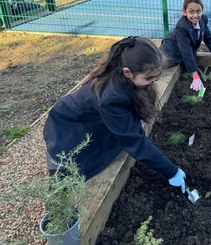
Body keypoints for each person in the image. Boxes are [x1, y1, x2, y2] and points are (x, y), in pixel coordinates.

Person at [43, 36, 186, 192]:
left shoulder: (125, 78)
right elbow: (134, 142)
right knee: (71, 172)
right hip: (67, 127)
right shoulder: (111, 98)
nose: (153, 81)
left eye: (156, 77)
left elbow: (130, 121)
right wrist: (171, 171)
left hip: (88, 117)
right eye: (149, 78)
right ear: (127, 72)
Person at [161, 0, 211, 91]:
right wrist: (195, 77)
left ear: (202, 10)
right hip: (171, 50)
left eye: (198, 11)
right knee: (156, 65)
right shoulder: (181, 27)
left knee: (189, 66)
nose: (195, 15)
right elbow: (186, 51)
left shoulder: (203, 19)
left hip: (187, 49)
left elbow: (206, 35)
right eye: (191, 12)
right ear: (184, 12)